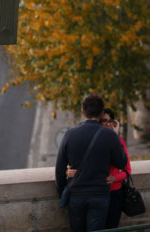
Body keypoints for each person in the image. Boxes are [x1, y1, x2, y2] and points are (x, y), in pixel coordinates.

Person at [56, 94, 128, 232]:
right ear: (101, 114)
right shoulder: (110, 136)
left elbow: (59, 168)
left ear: (83, 112)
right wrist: (116, 137)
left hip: (76, 194)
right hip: (100, 194)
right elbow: (121, 163)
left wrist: (62, 192)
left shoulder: (70, 134)